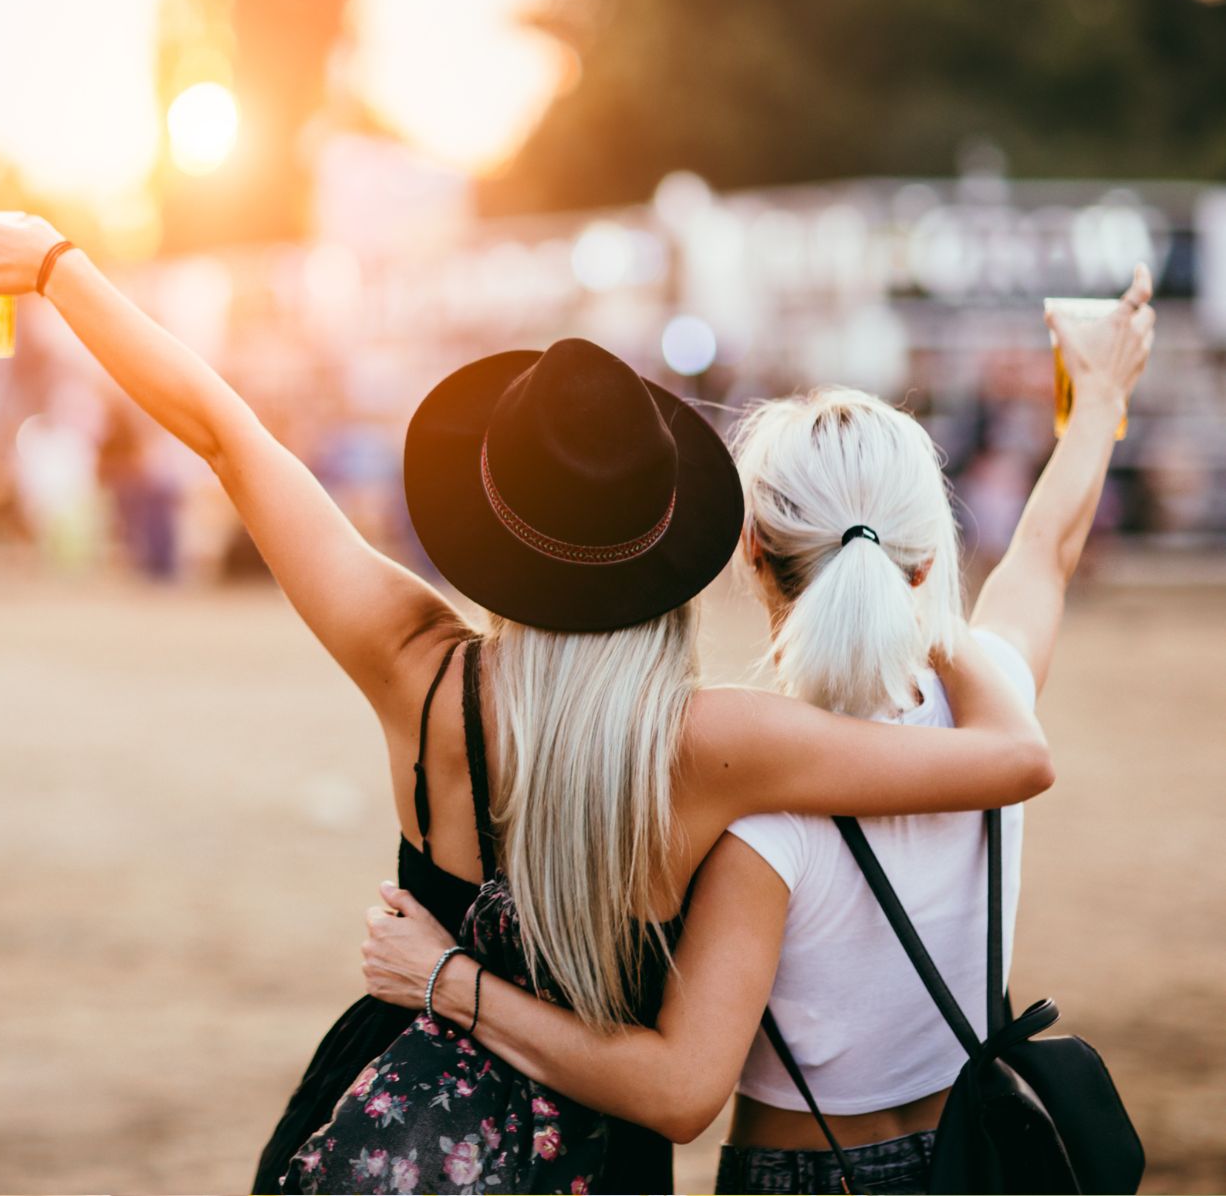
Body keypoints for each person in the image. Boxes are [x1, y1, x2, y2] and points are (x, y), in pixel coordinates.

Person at [0, 214, 1051, 1195]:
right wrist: (916, 587)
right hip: (594, 1155)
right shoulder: (717, 742)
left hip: (393, 1119)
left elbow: (227, 432)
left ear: (486, 522)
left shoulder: (410, 661)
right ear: (672, 546)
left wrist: (55, 264)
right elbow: (1008, 760)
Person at [359, 268, 1156, 1194]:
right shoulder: (987, 705)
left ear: (750, 551)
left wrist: (451, 980)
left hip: (808, 1173)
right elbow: (1045, 557)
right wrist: (1100, 395)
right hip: (980, 1157)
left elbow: (677, 1085)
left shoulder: (756, 807)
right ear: (926, 557)